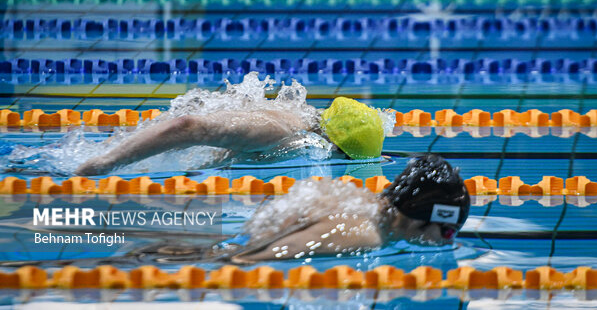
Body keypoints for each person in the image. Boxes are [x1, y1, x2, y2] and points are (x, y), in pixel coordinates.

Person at [220, 154, 470, 263]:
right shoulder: (363, 233)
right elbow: (245, 257)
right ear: (422, 218)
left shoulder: (362, 201)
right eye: (448, 232)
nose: (448, 243)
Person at [75, 96, 387, 176]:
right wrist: (103, 164)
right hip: (105, 168)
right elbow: (186, 125)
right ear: (333, 144)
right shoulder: (278, 131)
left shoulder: (302, 115)